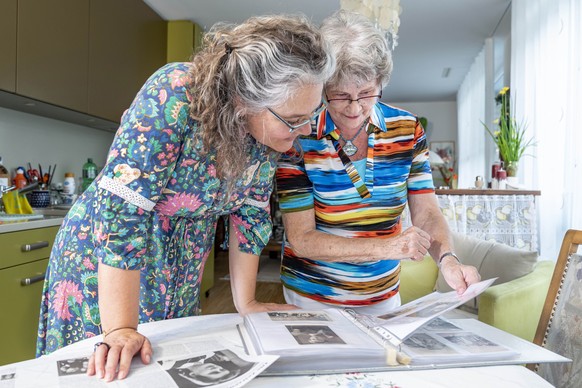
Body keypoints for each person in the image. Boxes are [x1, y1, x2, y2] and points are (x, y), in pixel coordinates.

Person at [35, 14, 334, 382]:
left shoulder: (268, 140)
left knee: (161, 366)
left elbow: (251, 216)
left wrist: (247, 302)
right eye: (293, 119)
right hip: (110, 258)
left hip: (182, 261)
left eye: (311, 114)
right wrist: (119, 328)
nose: (303, 131)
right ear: (245, 101)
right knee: (111, 366)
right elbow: (123, 211)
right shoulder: (175, 94)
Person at [275, 10, 480, 315]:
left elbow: (426, 212)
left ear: (381, 82)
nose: (355, 108)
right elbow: (302, 239)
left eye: (367, 93)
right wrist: (389, 247)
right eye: (341, 95)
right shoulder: (299, 136)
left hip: (382, 298)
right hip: (311, 299)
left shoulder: (408, 131)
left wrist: (447, 259)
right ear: (322, 87)